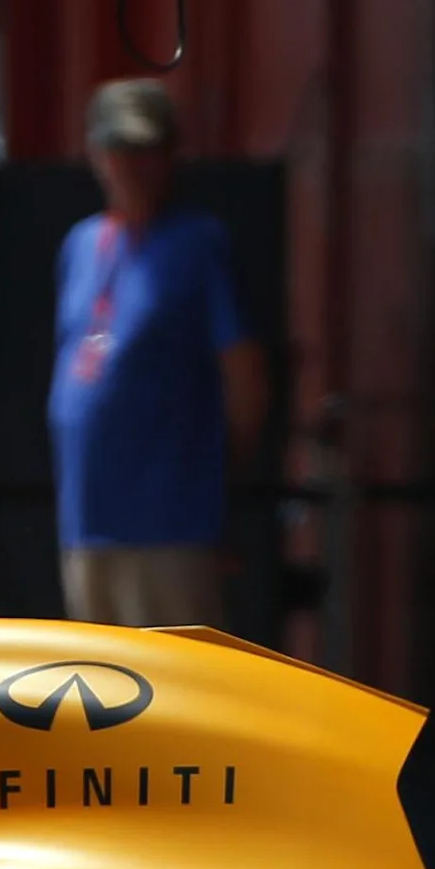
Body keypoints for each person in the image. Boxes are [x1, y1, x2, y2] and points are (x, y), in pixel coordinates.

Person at [49, 77, 266, 629]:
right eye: (123, 150)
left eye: (149, 151)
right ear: (97, 155)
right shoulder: (81, 243)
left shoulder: (197, 242)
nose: (135, 166)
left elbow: (242, 371)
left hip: (170, 520)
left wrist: (229, 485)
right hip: (88, 518)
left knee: (175, 683)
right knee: (94, 684)